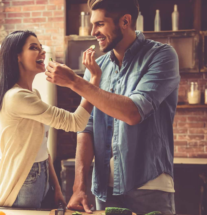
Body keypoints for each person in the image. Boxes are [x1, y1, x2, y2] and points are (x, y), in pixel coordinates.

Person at [45, 0, 180, 214]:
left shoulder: (161, 56)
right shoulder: (95, 69)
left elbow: (133, 112)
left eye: (99, 24)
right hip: (105, 189)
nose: (93, 32)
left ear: (125, 21)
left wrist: (75, 81)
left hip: (149, 185)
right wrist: (80, 185)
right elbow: (86, 128)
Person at [0, 30, 101, 208]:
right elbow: (76, 122)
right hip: (24, 178)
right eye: (34, 48)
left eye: (41, 47)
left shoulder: (32, 94)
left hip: (39, 174)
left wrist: (55, 187)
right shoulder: (17, 97)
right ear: (17, 56)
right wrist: (94, 80)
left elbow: (41, 146)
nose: (42, 52)